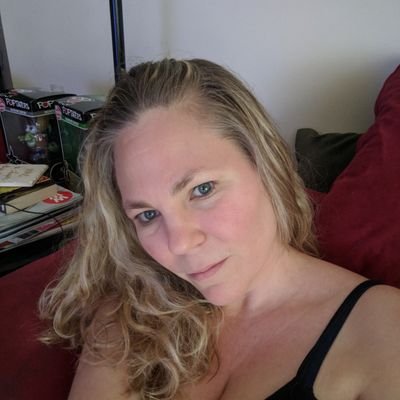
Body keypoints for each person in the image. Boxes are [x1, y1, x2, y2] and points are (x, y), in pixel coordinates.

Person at [40, 58, 400, 400]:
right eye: (148, 215)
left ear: (266, 164)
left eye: (202, 190)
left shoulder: (383, 330)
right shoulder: (132, 312)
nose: (180, 243)